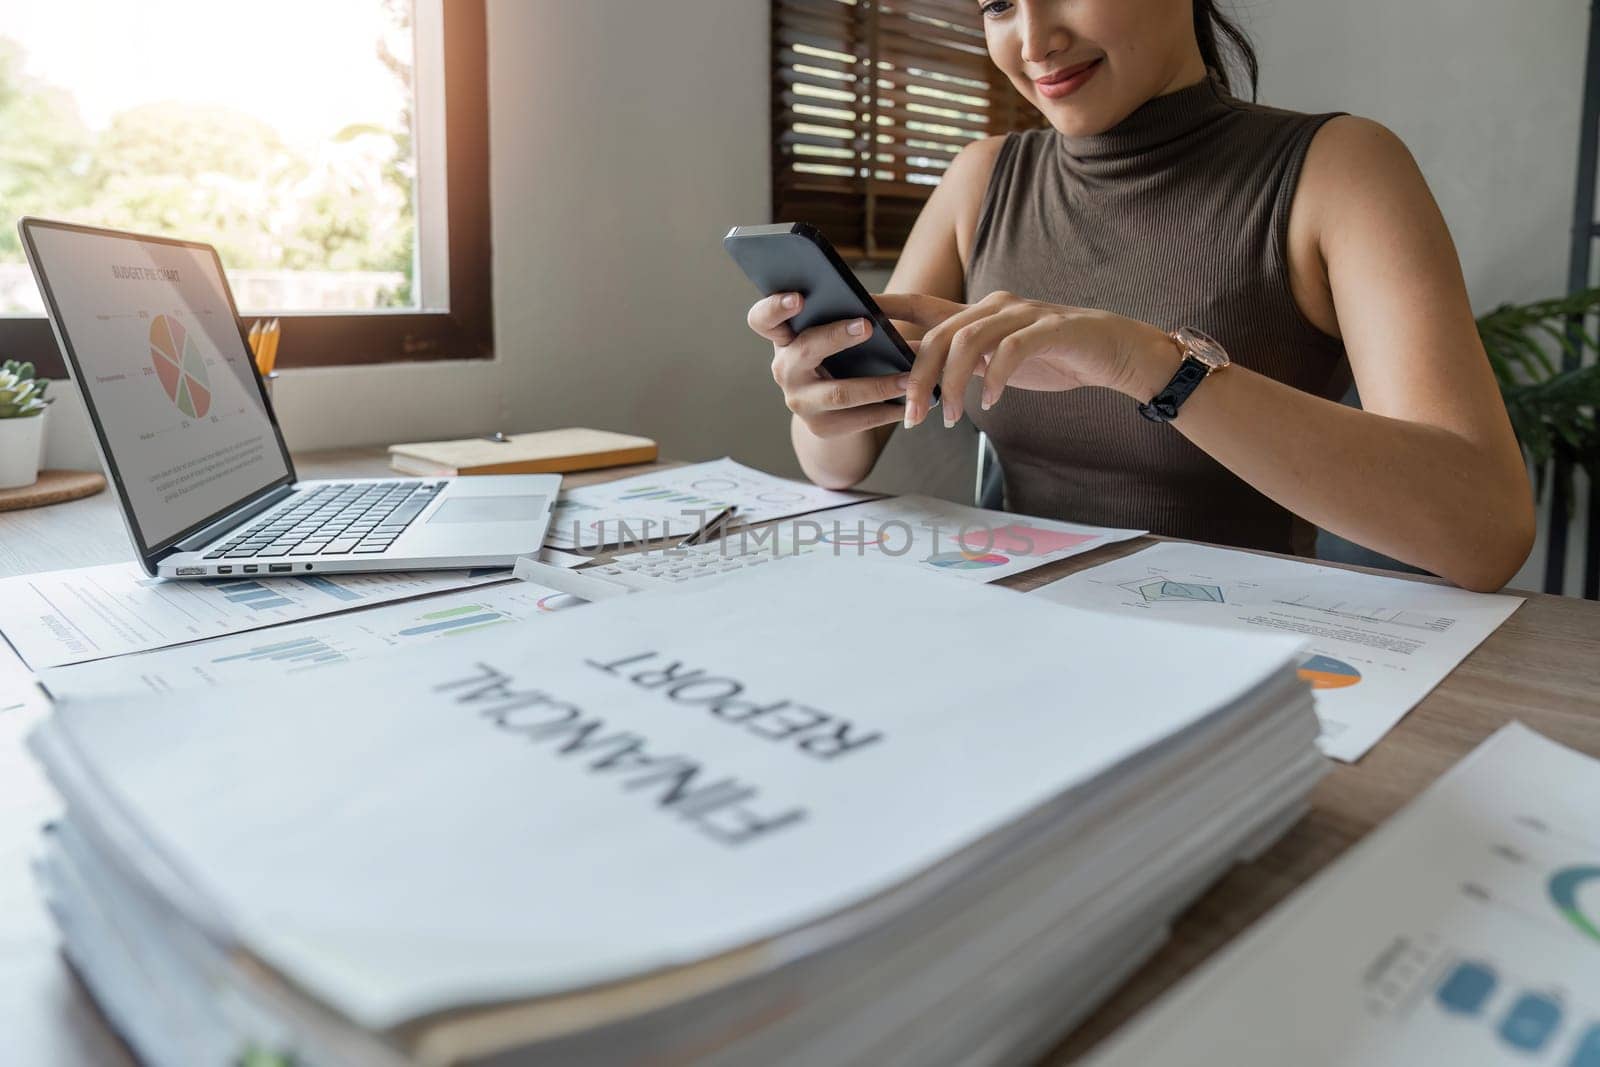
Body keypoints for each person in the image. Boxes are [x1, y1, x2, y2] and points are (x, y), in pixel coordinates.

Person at [745, 0, 1534, 592]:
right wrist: (821, 395)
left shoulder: (1340, 170)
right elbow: (837, 463)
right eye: (997, 3)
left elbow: (1486, 531)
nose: (1031, 40)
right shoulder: (980, 179)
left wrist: (1149, 365)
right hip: (1009, 635)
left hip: (1250, 662)